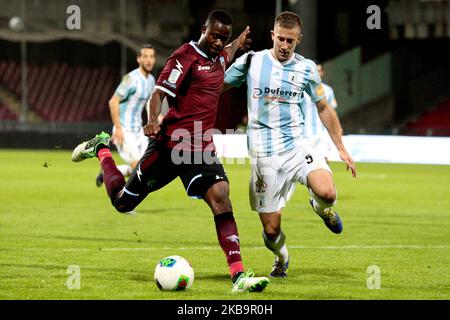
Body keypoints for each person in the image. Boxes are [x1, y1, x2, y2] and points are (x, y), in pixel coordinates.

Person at [72, 10, 269, 293]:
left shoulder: (220, 57)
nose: (217, 42)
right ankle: (101, 149)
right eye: (214, 35)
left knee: (221, 198)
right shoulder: (184, 57)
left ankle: (239, 276)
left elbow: (229, 50)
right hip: (168, 146)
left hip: (200, 150)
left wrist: (237, 41)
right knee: (122, 203)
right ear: (204, 29)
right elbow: (158, 93)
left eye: (222, 38)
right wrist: (153, 120)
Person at [223, 11, 356, 278]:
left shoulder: (306, 68)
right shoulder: (252, 62)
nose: (284, 46)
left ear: (299, 41)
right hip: (263, 158)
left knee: (328, 192)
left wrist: (340, 146)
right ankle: (282, 258)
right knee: (271, 230)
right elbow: (216, 83)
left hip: (296, 147)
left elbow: (323, 106)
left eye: (290, 41)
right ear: (273, 36)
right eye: (281, 39)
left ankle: (319, 206)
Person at [96, 44, 156, 187]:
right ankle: (125, 201)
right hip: (124, 129)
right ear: (139, 59)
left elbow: (149, 103)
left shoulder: (151, 80)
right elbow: (113, 102)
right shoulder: (130, 78)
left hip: (138, 130)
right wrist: (118, 128)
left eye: (152, 56)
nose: (149, 60)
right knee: (139, 169)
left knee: (144, 168)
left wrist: (155, 118)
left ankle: (108, 172)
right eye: (145, 56)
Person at [303, 63, 338, 162]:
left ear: (322, 73)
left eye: (318, 71)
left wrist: (337, 129)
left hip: (323, 132)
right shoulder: (302, 89)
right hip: (305, 133)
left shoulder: (328, 90)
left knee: (324, 162)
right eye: (314, 71)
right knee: (306, 164)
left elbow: (332, 111)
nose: (316, 73)